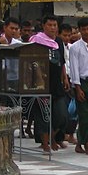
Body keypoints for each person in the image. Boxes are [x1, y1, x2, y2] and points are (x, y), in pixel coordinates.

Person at [29, 16, 70, 152]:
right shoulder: (36, 40)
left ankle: (53, 137)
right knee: (42, 114)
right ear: (44, 26)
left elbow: (62, 61)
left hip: (56, 82)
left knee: (61, 114)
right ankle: (45, 142)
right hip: (41, 83)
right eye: (50, 25)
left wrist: (64, 77)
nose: (53, 28)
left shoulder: (58, 40)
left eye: (55, 25)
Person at [69, 18, 88, 155]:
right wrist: (77, 87)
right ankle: (86, 142)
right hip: (81, 82)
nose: (87, 32)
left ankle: (83, 142)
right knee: (85, 114)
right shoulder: (75, 47)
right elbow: (74, 68)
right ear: (79, 30)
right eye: (83, 29)